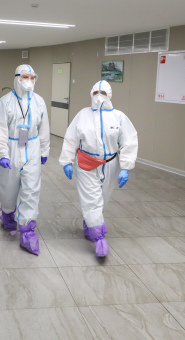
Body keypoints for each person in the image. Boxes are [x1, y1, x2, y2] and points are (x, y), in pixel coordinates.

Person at [59, 80, 138, 257]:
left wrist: (125, 166)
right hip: (86, 163)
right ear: (91, 94)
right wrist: (67, 161)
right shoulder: (83, 115)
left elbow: (129, 140)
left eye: (103, 93)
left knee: (102, 198)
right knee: (91, 199)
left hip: (110, 163)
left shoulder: (119, 117)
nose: (99, 96)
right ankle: (99, 237)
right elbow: (71, 138)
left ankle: (90, 222)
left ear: (109, 95)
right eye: (96, 93)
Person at [0, 64, 50, 255]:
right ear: (17, 78)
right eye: (25, 77)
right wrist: (2, 153)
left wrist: (44, 150)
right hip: (11, 146)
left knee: (31, 189)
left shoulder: (39, 101)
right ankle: (8, 213)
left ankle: (27, 230)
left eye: (32, 77)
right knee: (8, 187)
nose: (29, 81)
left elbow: (44, 127)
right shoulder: (5, 102)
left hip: (32, 146)